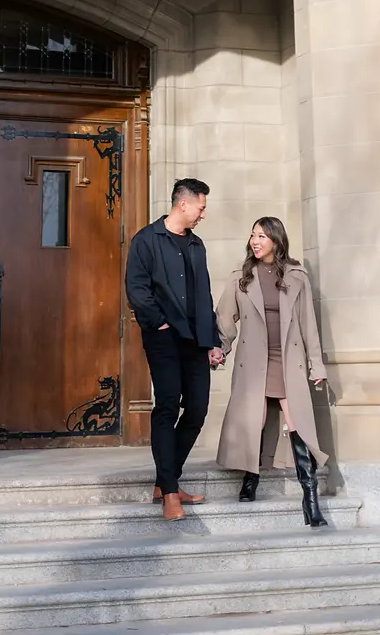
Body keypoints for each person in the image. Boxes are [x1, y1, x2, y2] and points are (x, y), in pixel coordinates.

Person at [215, 216, 329, 528]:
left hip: (288, 358)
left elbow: (309, 324)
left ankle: (310, 498)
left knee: (298, 422)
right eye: (253, 235)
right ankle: (250, 481)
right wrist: (220, 348)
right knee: (256, 418)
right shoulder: (240, 275)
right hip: (254, 360)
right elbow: (225, 317)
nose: (255, 241)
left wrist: (316, 365)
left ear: (276, 240)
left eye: (262, 236)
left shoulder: (295, 275)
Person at [125, 178, 225, 520]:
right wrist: (160, 322)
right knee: (167, 406)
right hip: (163, 337)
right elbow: (137, 289)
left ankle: (166, 478)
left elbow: (204, 295)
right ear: (183, 204)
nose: (202, 214)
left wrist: (212, 341)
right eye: (201, 207)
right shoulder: (146, 241)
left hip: (196, 339)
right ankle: (169, 493)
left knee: (197, 410)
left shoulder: (197, 245)